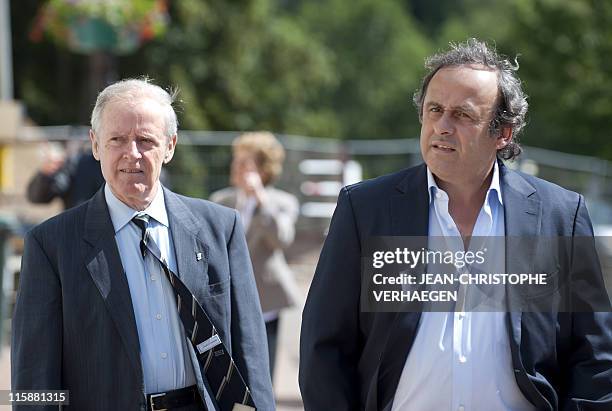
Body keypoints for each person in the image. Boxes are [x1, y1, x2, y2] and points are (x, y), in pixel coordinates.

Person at [299, 39, 612, 410]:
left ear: (503, 133)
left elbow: (593, 354)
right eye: (434, 110)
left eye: (462, 115)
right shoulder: (366, 210)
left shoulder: (559, 215)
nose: (441, 126)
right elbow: (324, 347)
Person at [12, 79, 275, 411]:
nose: (131, 153)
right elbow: (33, 378)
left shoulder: (221, 228)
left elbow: (250, 353)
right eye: (117, 139)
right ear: (95, 145)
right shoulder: (51, 245)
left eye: (145, 140)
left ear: (170, 146)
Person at [211, 132, 300, 381]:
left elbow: (282, 239)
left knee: (262, 370)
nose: (236, 167)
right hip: (228, 298)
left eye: (245, 163)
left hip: (266, 300)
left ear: (262, 170)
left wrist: (260, 200)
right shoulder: (221, 200)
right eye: (235, 161)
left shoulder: (282, 202)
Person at [26, 144, 104, 210]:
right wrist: (45, 174)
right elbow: (36, 197)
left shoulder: (100, 165)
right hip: (75, 221)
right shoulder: (70, 167)